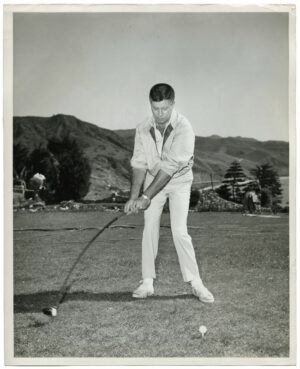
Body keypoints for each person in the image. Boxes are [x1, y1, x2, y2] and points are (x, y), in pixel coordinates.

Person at [124, 83, 214, 303]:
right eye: (156, 109)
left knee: (179, 231)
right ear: (150, 106)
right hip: (153, 179)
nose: (160, 114)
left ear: (173, 104)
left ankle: (195, 282)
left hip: (179, 181)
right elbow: (139, 163)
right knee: (149, 229)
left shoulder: (185, 128)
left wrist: (146, 197)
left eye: (165, 108)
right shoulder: (142, 128)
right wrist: (134, 196)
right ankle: (147, 282)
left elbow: (170, 168)